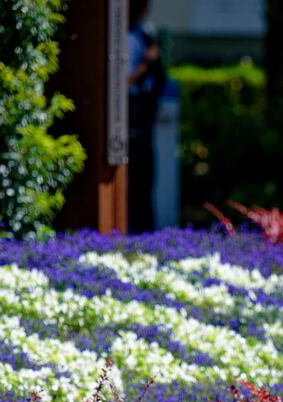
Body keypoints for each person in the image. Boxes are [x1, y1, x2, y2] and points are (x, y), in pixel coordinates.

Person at [127, 0, 166, 233]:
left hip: (143, 120)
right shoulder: (126, 37)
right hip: (128, 118)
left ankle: (145, 230)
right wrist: (143, 65)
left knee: (145, 179)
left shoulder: (144, 34)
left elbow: (159, 79)